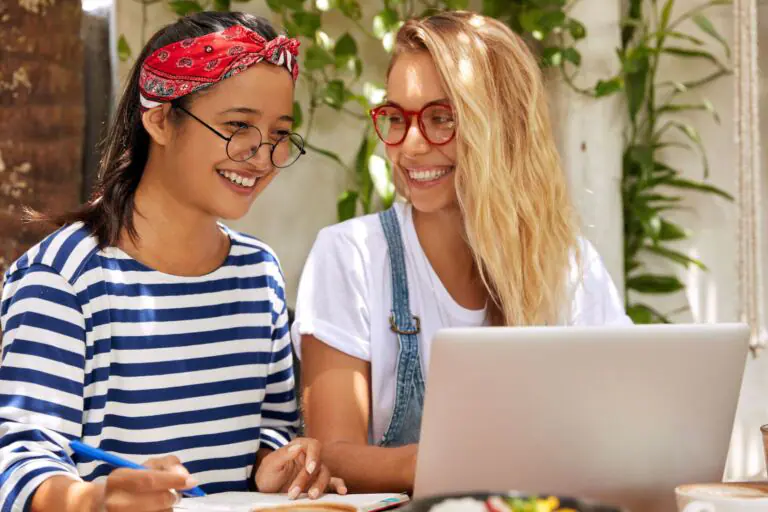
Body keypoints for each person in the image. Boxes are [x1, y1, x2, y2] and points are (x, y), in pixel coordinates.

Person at [0, 12, 344, 512]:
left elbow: (273, 423)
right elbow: (18, 465)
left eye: (278, 134)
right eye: (238, 126)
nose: (262, 156)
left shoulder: (257, 274)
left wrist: (271, 461)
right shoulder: (63, 281)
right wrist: (95, 501)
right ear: (159, 118)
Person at [292, 11, 632, 494]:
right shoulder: (351, 255)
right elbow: (332, 453)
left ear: (504, 127)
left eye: (441, 118)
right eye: (395, 117)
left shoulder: (567, 264)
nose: (409, 146)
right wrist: (458, 464)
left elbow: (624, 425)